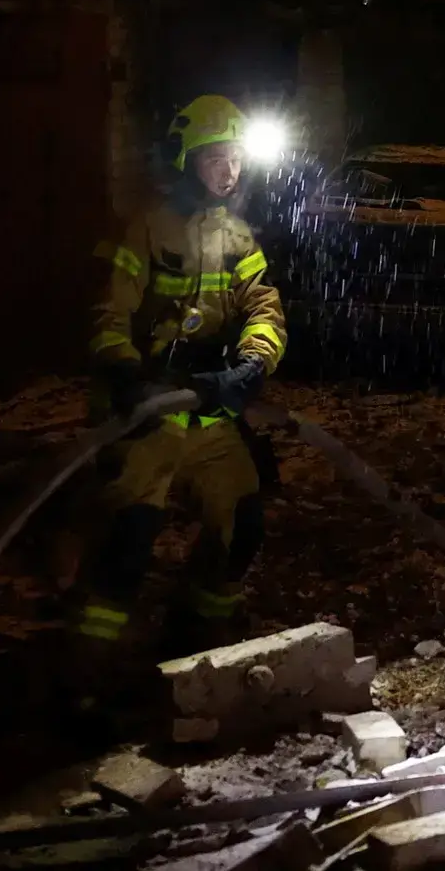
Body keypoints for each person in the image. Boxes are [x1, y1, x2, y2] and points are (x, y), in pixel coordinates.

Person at [67, 94, 288, 678]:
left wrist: (251, 364)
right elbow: (107, 314)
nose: (230, 170)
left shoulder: (237, 236)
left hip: (208, 413)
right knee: (128, 539)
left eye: (237, 157)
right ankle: (87, 670)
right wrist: (124, 375)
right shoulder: (141, 229)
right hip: (144, 412)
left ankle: (194, 634)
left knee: (243, 522)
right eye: (216, 157)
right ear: (184, 160)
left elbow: (265, 307)